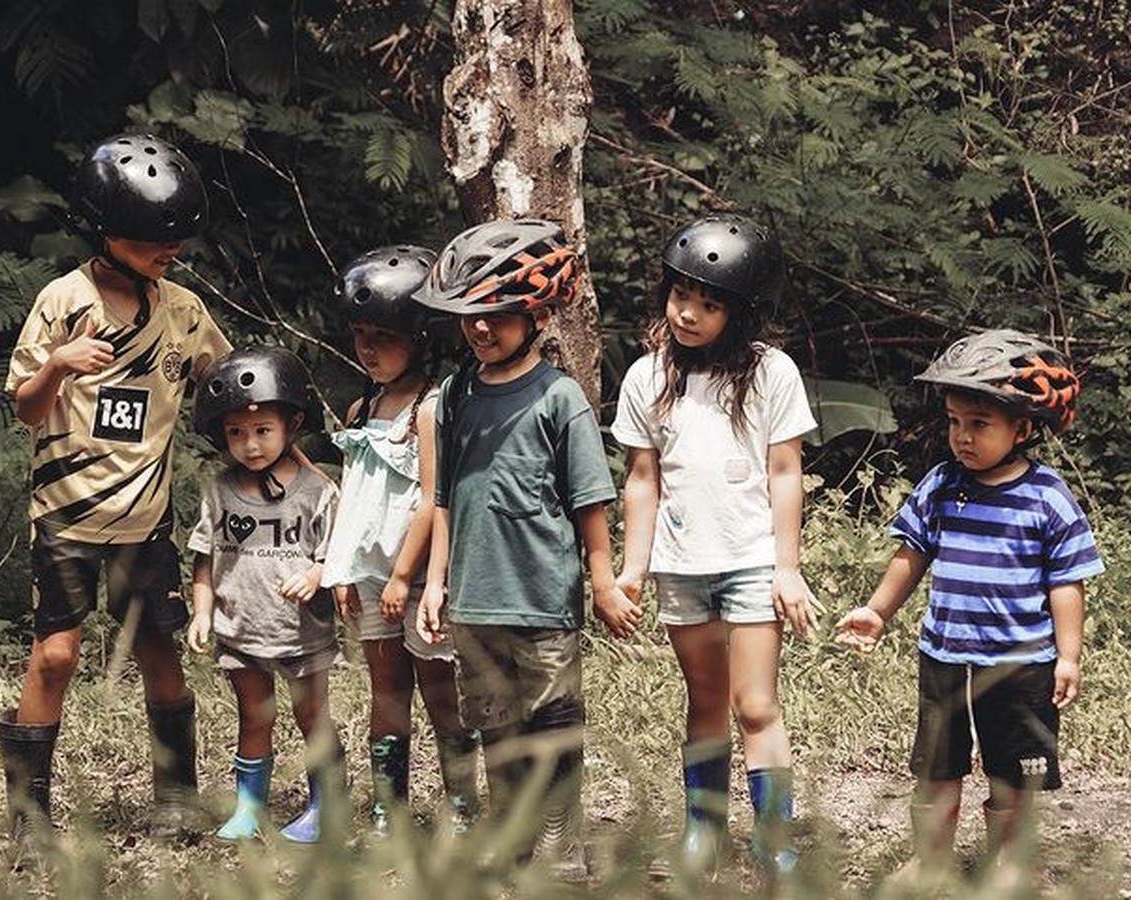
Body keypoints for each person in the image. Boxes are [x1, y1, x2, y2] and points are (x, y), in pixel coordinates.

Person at [0, 133, 231, 840]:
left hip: (145, 522)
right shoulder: (62, 302)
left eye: (178, 240)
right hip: (67, 519)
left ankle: (178, 798)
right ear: (105, 232)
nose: (173, 252)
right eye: (156, 239)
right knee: (58, 653)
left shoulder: (182, 309)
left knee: (159, 650)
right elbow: (26, 409)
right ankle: (28, 819)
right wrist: (59, 365)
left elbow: (225, 388)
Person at [412, 218, 641, 881]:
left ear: (536, 312)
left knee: (554, 729)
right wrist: (435, 581)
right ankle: (510, 841)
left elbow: (589, 501)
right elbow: (445, 497)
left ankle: (566, 850)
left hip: (542, 600)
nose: (482, 329)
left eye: (499, 315)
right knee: (497, 733)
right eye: (470, 317)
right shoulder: (454, 395)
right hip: (475, 600)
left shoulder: (559, 397)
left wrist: (602, 583)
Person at [835, 329, 1103, 883]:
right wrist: (877, 612)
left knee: (1013, 771)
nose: (962, 436)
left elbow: (1066, 582)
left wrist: (1068, 655)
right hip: (946, 656)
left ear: (1022, 427)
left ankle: (1007, 860)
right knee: (936, 764)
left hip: (1021, 663)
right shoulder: (940, 485)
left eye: (979, 424)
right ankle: (929, 860)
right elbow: (912, 556)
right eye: (955, 422)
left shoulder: (1047, 497)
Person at [612, 213, 822, 878]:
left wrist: (787, 568)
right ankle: (703, 830)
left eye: (709, 304)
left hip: (752, 559)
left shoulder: (771, 372)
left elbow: (785, 472)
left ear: (742, 312)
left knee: (755, 703)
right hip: (682, 565)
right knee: (704, 703)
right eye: (681, 296)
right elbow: (642, 482)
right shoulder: (647, 377)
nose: (689, 314)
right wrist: (630, 570)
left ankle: (772, 836)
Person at [320, 245, 479, 837]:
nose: (369, 347)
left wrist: (405, 577)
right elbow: (354, 494)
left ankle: (459, 803)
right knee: (385, 693)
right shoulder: (361, 407)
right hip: (370, 579)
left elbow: (433, 501)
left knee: (439, 690)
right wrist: (340, 566)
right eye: (361, 333)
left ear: (422, 335)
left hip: (415, 581)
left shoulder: (431, 407)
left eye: (384, 334)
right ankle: (390, 807)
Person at [185, 346, 342, 843]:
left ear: (291, 424)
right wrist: (202, 612)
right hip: (242, 630)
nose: (250, 445)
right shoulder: (218, 490)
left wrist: (316, 576)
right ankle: (250, 807)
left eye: (262, 431)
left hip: (301, 632)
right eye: (236, 433)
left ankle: (327, 805)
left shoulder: (318, 491)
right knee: (253, 716)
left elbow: (336, 557)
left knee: (311, 715)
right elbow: (204, 560)